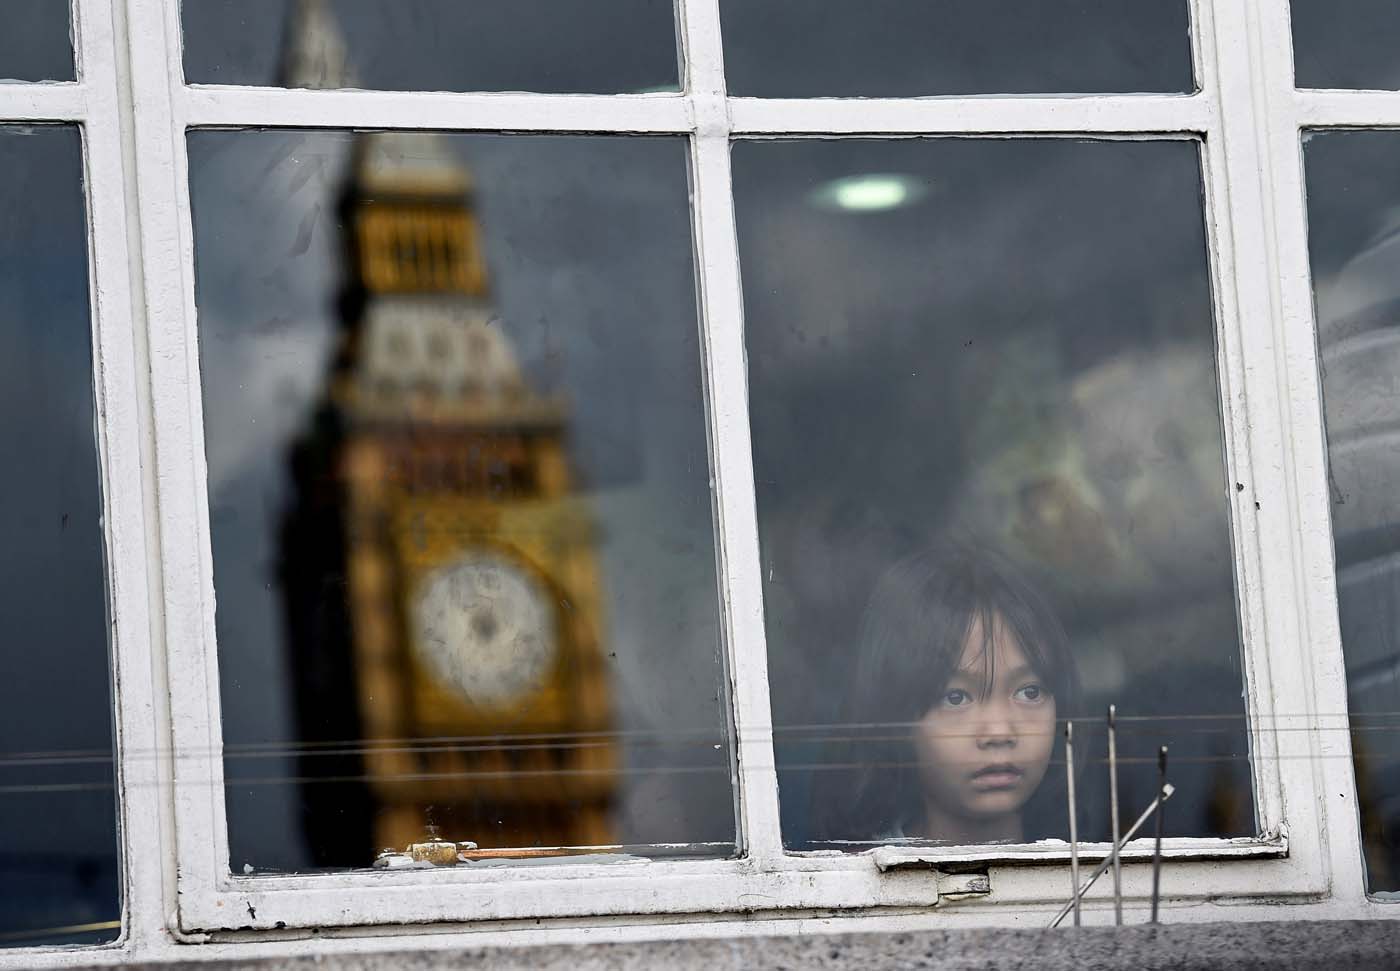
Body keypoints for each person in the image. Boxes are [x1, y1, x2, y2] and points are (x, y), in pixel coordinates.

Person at [813, 545, 1080, 846]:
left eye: (1029, 692)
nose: (999, 732)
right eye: (955, 697)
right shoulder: (857, 881)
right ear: (896, 717)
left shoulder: (1088, 866)